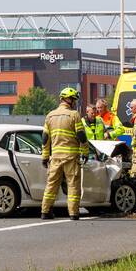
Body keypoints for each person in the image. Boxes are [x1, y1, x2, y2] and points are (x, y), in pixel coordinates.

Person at [40, 87, 88, 221]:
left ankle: (45, 211)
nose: (74, 102)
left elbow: (45, 139)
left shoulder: (50, 115)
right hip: (71, 157)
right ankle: (73, 213)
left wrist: (44, 156)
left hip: (55, 157)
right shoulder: (74, 115)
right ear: (69, 99)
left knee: (51, 184)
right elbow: (81, 136)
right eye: (74, 100)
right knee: (73, 185)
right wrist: (85, 152)